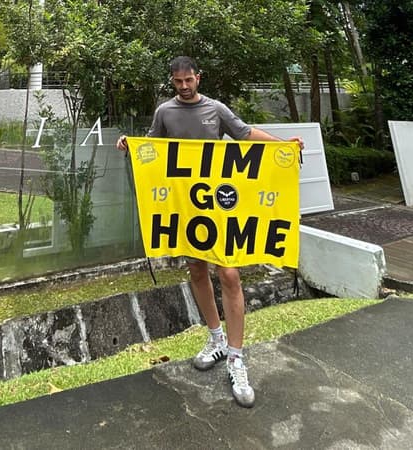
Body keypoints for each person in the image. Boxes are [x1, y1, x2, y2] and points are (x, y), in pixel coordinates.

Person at [116, 56, 304, 408]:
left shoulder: (215, 109)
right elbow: (154, 150)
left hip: (220, 207)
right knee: (197, 270)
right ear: (172, 81)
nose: (184, 87)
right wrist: (132, 144)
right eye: (178, 82)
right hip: (189, 210)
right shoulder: (165, 112)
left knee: (229, 274)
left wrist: (283, 146)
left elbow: (245, 134)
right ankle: (215, 339)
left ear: (198, 78)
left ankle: (236, 357)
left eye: (189, 80)